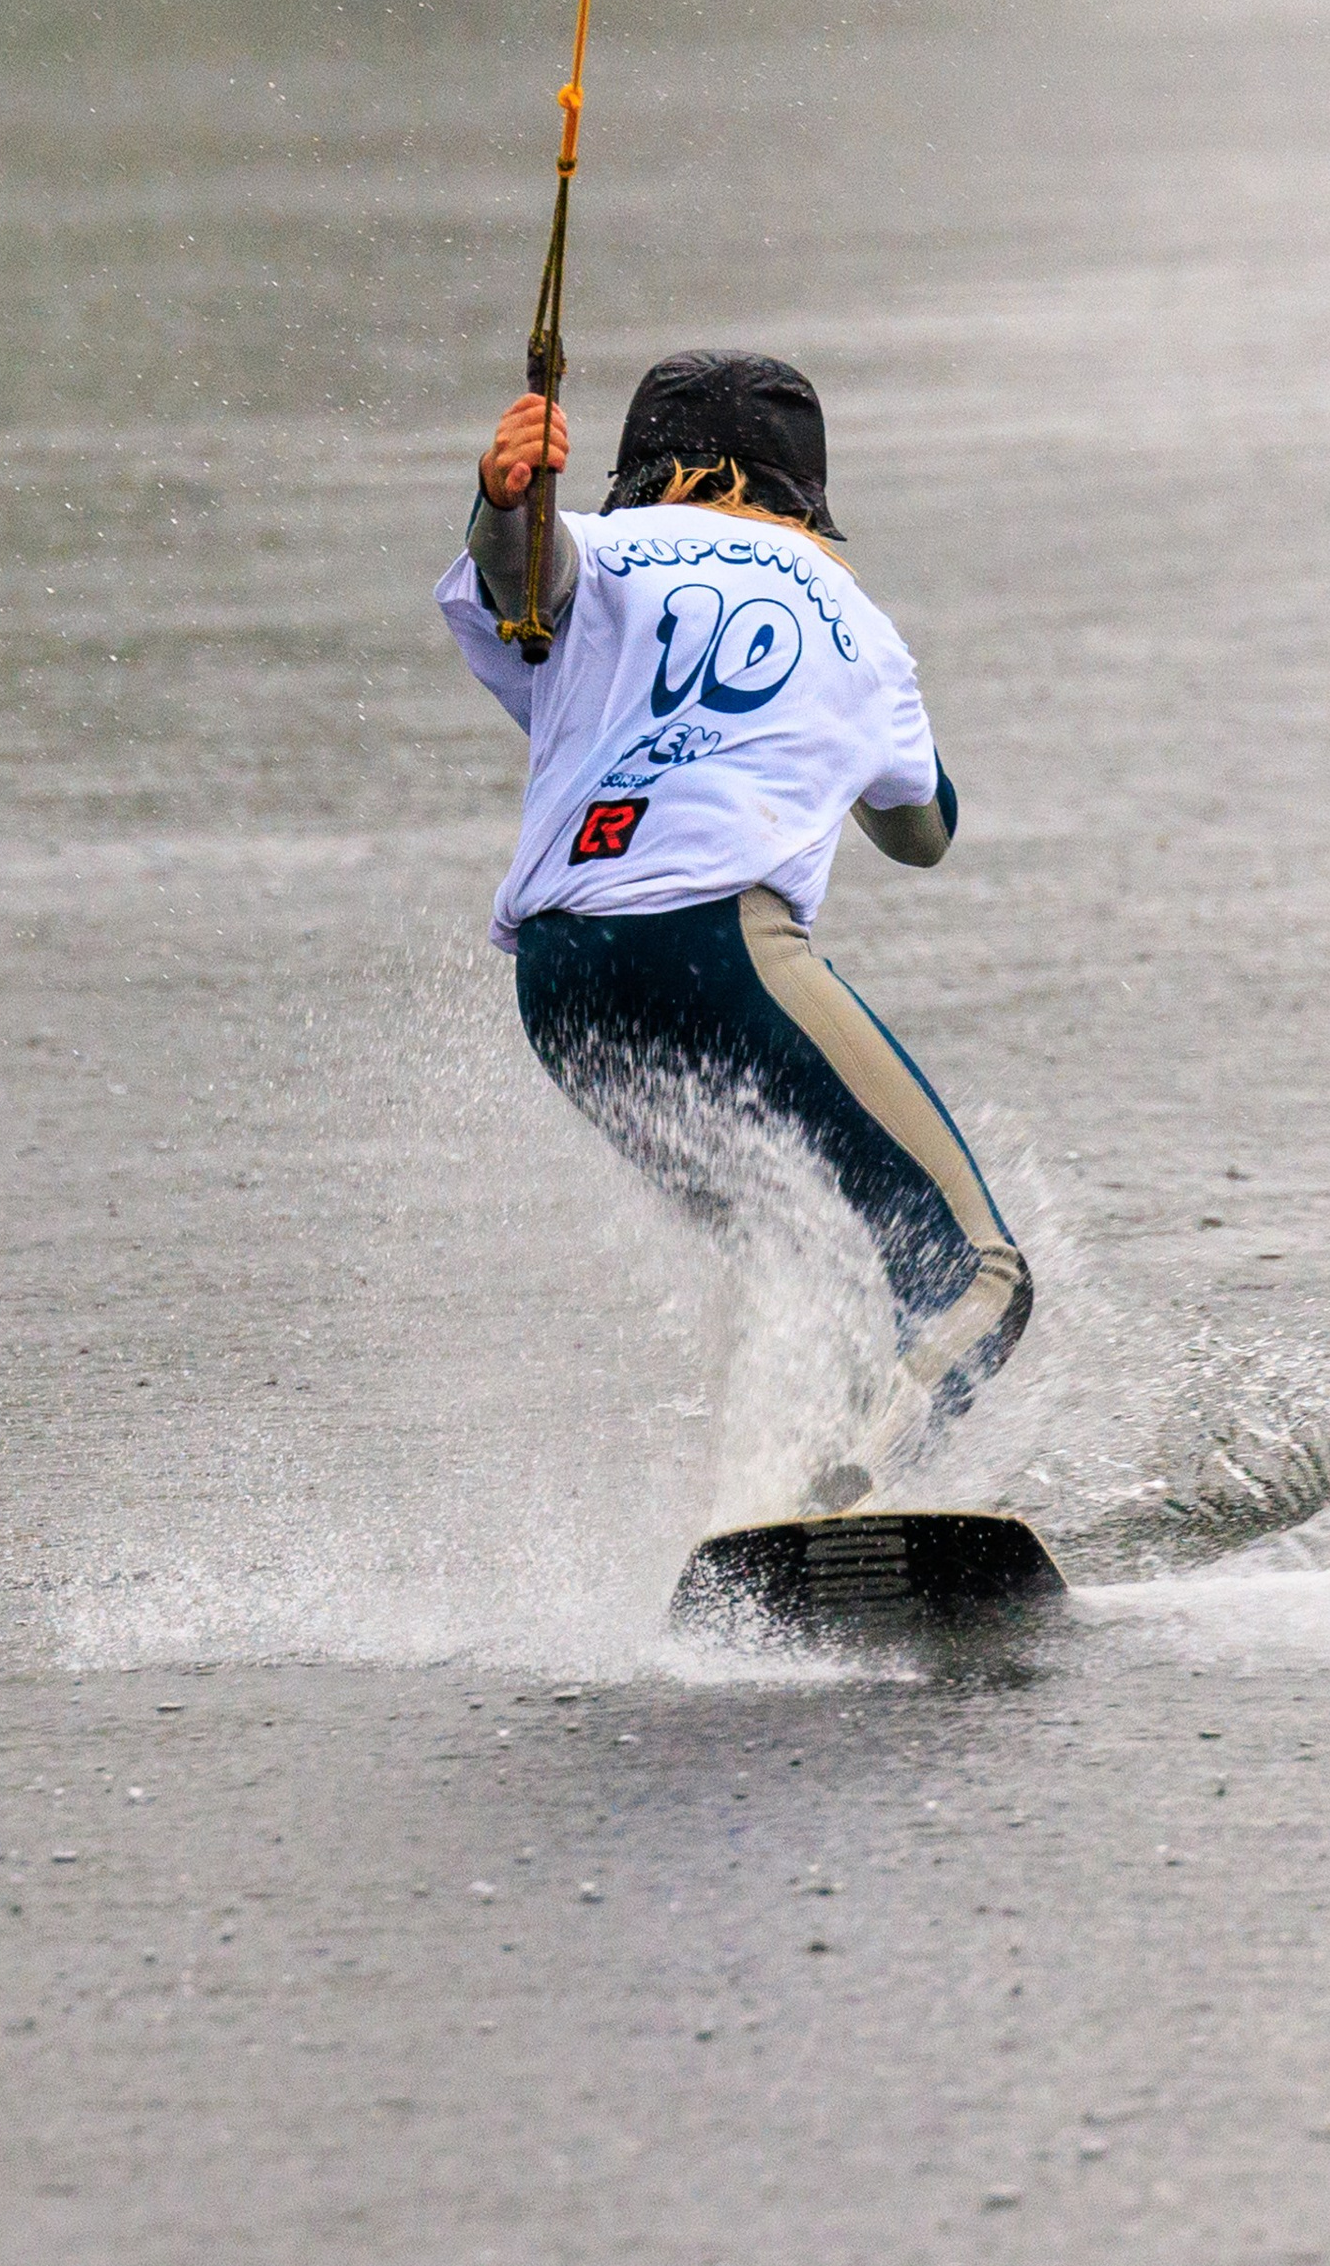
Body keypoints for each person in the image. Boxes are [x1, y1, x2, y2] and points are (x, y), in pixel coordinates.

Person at [436, 349, 1031, 1502]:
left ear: (641, 473)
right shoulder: (854, 620)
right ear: (797, 493)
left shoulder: (594, 554)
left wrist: (504, 494)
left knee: (802, 1250)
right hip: (722, 957)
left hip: (562, 989)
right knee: (978, 1282)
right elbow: (924, 832)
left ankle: (771, 1507)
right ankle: (860, 1488)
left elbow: (520, 578)